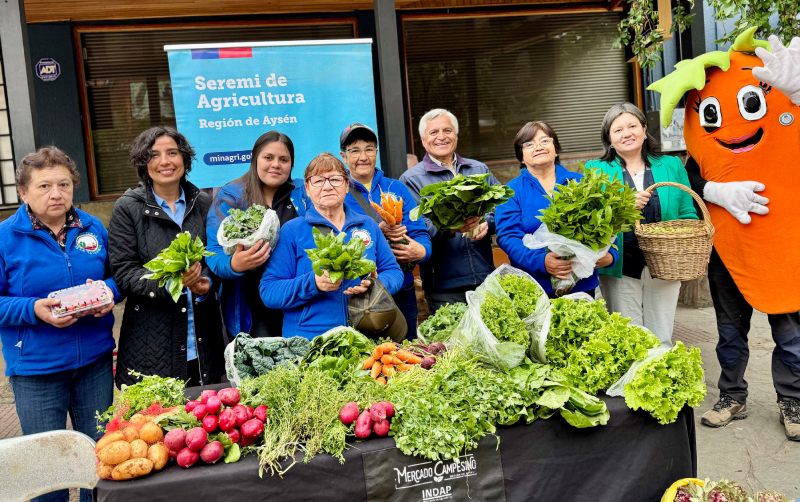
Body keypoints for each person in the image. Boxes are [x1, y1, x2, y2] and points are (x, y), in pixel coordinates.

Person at [648, 30, 800, 438]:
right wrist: (714, 189)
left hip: (780, 247)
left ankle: (793, 401)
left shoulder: (789, 119)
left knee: (789, 333)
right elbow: (691, 176)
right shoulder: (695, 156)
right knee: (730, 331)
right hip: (728, 251)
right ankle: (733, 396)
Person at [0, 147, 118, 502]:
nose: (56, 194)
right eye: (44, 186)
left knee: (98, 462)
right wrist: (34, 308)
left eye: (64, 185)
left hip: (95, 364)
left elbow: (115, 278)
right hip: (37, 370)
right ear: (23, 192)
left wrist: (106, 293)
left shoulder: (92, 226)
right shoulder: (6, 237)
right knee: (46, 470)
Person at [109, 126, 224, 388]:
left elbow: (216, 260)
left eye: (172, 153)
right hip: (151, 346)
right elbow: (125, 273)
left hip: (203, 344)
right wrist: (173, 282)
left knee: (203, 424)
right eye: (154, 155)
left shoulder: (204, 204)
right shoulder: (128, 208)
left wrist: (205, 282)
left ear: (184, 158)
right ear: (143, 162)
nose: (165, 162)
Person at [586, 103, 698, 346]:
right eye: (618, 130)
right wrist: (623, 205)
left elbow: (688, 211)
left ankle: (659, 379)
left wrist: (694, 246)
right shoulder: (595, 170)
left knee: (662, 335)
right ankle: (632, 384)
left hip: (667, 262)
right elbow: (591, 219)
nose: (626, 133)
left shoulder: (671, 165)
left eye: (632, 126)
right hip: (619, 265)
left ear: (644, 129)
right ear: (609, 139)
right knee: (628, 338)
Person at [260, 153, 404, 339]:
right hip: (310, 341)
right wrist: (314, 283)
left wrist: (375, 285)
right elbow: (269, 291)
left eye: (335, 179)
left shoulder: (368, 225)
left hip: (366, 335)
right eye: (318, 180)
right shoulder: (292, 231)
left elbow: (393, 271)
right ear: (307, 189)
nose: (327, 186)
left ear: (346, 186)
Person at [495, 121, 617, 298]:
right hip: (533, 287)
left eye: (545, 141)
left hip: (581, 286)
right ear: (521, 156)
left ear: (556, 149)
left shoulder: (582, 183)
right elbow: (508, 237)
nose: (538, 146)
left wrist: (611, 255)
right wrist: (541, 261)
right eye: (529, 144)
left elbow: (609, 223)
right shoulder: (512, 191)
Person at [206, 131, 306, 338]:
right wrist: (234, 265)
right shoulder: (232, 196)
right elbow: (214, 252)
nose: (276, 164)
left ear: (291, 164)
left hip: (300, 299)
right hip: (254, 307)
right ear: (254, 160)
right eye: (268, 157)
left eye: (284, 159)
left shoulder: (302, 193)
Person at [400, 108, 499, 313]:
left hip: (485, 278)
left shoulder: (478, 170)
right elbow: (417, 227)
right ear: (423, 139)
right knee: (453, 344)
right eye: (434, 132)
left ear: (456, 134)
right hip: (444, 286)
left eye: (447, 130)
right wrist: (452, 227)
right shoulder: (411, 179)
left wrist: (486, 223)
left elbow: (502, 207)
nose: (441, 137)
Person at [338, 123, 431, 335]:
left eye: (369, 149)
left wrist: (422, 251)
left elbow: (420, 233)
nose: (363, 156)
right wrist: (376, 232)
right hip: (360, 294)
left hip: (402, 289)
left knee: (405, 349)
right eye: (354, 150)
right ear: (344, 156)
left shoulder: (396, 188)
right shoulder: (339, 192)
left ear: (376, 152)